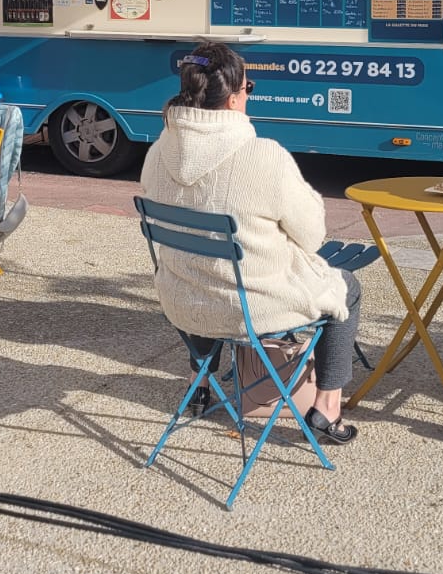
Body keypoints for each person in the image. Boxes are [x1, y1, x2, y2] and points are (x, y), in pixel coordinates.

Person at [140, 41, 362, 444]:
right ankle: (327, 408)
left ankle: (199, 380)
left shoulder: (157, 153)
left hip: (182, 301)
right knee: (347, 286)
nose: (248, 96)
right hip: (250, 307)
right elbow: (312, 236)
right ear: (232, 99)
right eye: (248, 88)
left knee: (199, 263)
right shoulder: (264, 156)